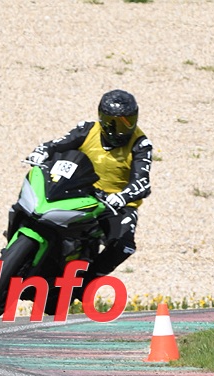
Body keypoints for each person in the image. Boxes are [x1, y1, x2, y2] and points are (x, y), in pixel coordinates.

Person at [21, 89, 153, 289]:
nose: (121, 129)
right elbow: (57, 145)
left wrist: (122, 196)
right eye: (114, 122)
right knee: (37, 198)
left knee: (124, 245)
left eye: (128, 121)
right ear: (102, 118)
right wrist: (42, 151)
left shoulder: (141, 144)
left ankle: (85, 285)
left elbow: (142, 181)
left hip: (115, 203)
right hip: (80, 190)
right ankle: (20, 234)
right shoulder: (87, 129)